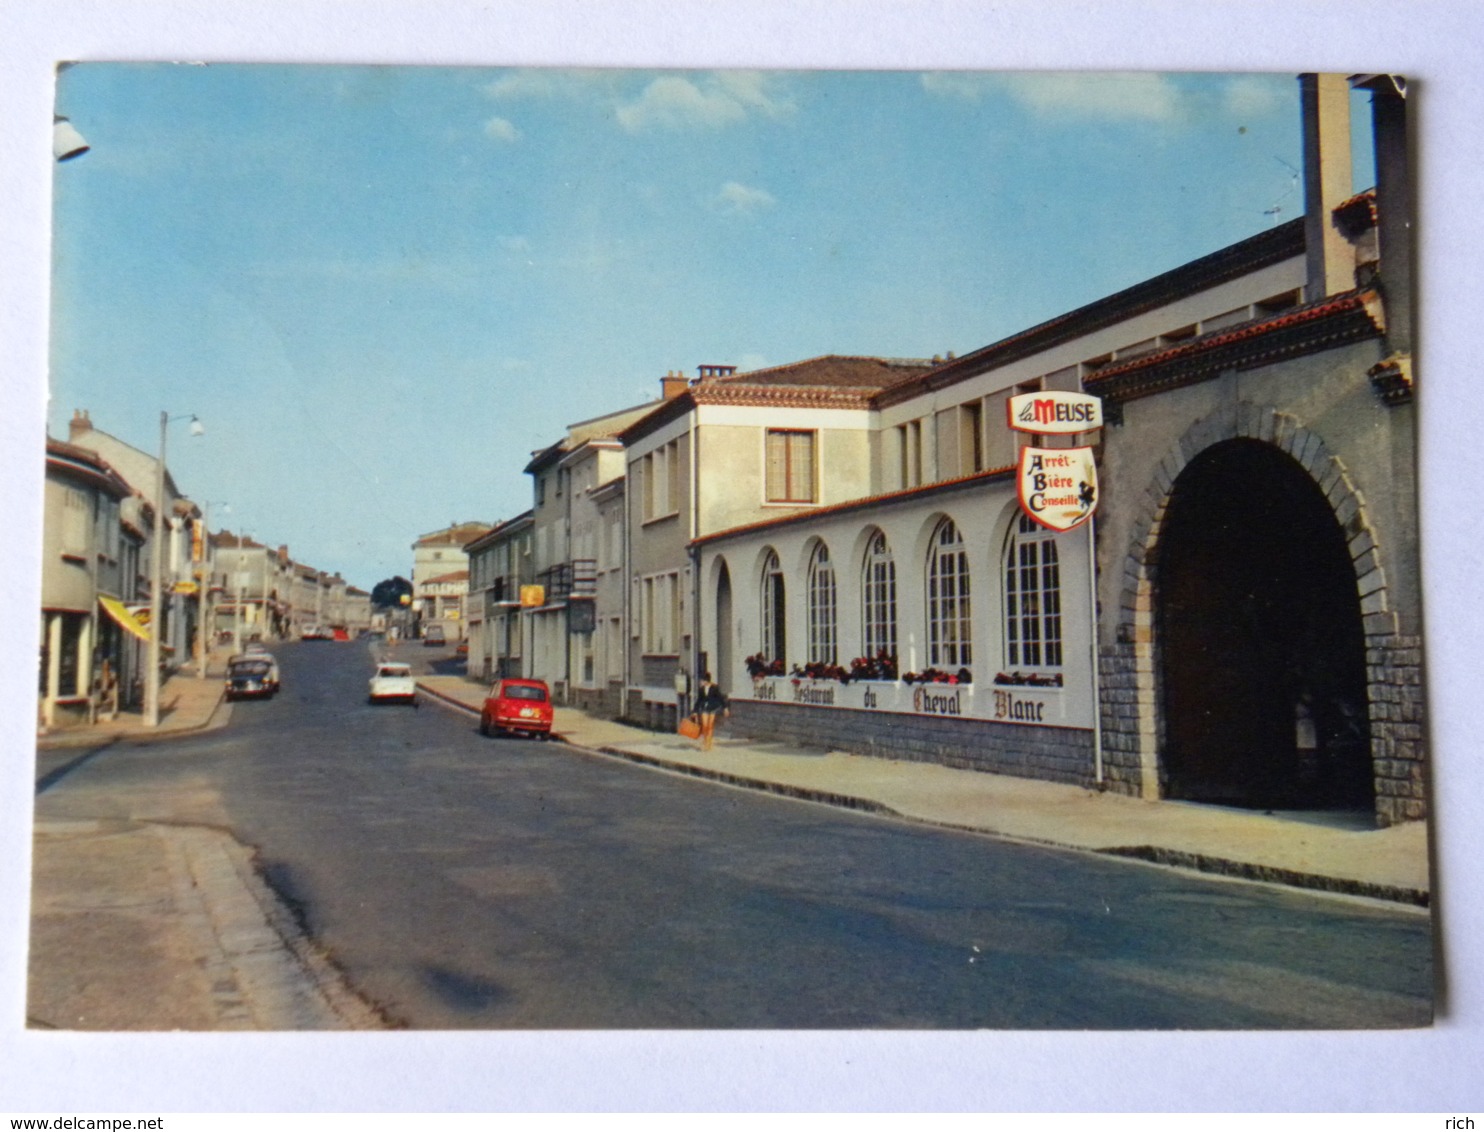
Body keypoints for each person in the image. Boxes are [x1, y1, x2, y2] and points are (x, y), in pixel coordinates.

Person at [694, 671, 729, 752]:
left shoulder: (714, 687)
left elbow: (720, 698)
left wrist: (725, 707)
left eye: (702, 680)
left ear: (706, 680)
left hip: (712, 708)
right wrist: (695, 710)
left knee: (710, 726)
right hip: (704, 708)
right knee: (705, 725)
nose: (701, 682)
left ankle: (708, 744)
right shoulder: (701, 689)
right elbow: (699, 700)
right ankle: (705, 741)